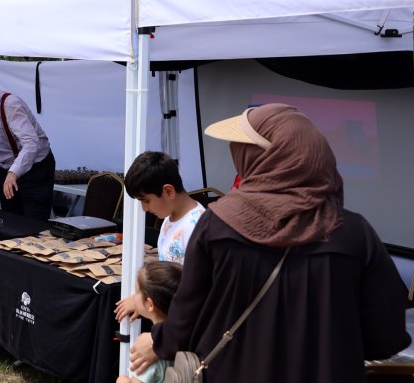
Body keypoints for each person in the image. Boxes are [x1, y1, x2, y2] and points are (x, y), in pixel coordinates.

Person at [130, 104, 411, 383]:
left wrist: (158, 340)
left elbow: (187, 316)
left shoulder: (217, 225)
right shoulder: (354, 233)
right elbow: (386, 336)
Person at [115, 151, 203, 322]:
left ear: (168, 191)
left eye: (146, 200)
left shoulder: (196, 228)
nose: (144, 209)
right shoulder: (169, 218)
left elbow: (192, 291)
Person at [0, 71, 55, 221]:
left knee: (34, 224)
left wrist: (13, 173)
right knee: (10, 220)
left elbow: (32, 144)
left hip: (36, 168)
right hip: (6, 168)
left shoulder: (10, 104)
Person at [116, 261, 183, 383]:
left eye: (137, 292)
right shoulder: (186, 341)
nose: (134, 296)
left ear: (150, 304)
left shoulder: (146, 353)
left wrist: (122, 381)